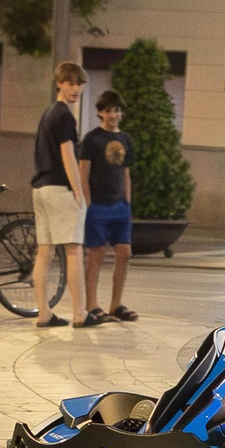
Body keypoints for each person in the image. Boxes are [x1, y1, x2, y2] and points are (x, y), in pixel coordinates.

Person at [31, 63, 89, 328]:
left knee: (44, 253)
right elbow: (68, 154)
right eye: (70, 83)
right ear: (59, 84)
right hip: (59, 188)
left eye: (79, 84)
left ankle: (43, 312)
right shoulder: (65, 115)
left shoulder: (47, 114)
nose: (75, 89)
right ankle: (80, 313)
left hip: (40, 188)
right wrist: (79, 192)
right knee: (74, 250)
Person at [78, 90, 136, 327]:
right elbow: (84, 172)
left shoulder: (126, 139)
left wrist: (127, 202)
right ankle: (92, 304)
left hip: (119, 206)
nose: (113, 115)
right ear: (101, 112)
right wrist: (88, 203)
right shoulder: (92, 139)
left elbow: (126, 172)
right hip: (98, 205)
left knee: (125, 252)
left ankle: (116, 304)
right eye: (109, 110)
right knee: (96, 254)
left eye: (117, 110)